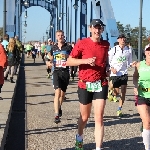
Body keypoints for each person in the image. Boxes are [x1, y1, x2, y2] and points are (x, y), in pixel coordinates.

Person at [66, 19, 109, 150]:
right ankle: (79, 136)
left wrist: (107, 68)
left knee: (99, 117)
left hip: (100, 83)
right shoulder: (82, 43)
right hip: (85, 84)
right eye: (95, 28)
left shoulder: (106, 44)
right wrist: (85, 61)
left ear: (102, 29)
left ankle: (98, 147)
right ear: (90, 29)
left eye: (99, 28)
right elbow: (69, 61)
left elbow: (106, 61)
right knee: (84, 117)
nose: (97, 30)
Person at [108, 34, 136, 117]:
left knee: (123, 91)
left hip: (124, 73)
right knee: (116, 92)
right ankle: (110, 92)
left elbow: (129, 62)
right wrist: (112, 68)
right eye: (121, 38)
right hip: (115, 72)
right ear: (118, 40)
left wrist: (132, 64)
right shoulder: (114, 49)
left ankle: (119, 109)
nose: (123, 40)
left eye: (124, 38)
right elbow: (108, 60)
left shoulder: (129, 50)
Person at [48, 30, 72, 124]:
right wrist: (48, 62)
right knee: (57, 92)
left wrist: (66, 55)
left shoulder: (68, 47)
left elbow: (73, 57)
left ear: (64, 36)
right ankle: (56, 115)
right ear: (56, 36)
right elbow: (49, 57)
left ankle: (59, 107)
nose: (60, 37)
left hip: (65, 72)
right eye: (58, 35)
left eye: (61, 35)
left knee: (62, 95)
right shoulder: (53, 47)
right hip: (56, 71)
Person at [133, 45, 150, 150]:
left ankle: (144, 126)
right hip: (142, 95)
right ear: (145, 53)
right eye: (148, 51)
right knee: (147, 122)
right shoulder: (139, 65)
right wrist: (135, 85)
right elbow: (135, 77)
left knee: (147, 122)